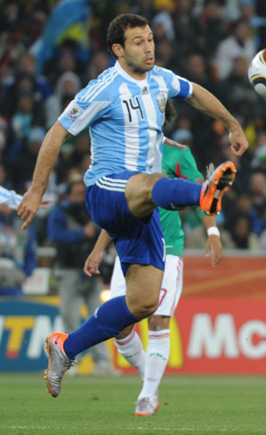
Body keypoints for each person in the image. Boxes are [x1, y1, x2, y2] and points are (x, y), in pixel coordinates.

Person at [16, 13, 248, 398]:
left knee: (142, 302)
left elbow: (195, 92)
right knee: (151, 180)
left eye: (150, 39)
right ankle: (201, 192)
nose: (149, 47)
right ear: (118, 50)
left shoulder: (160, 79)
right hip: (106, 190)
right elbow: (56, 134)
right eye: (138, 42)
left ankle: (65, 347)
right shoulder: (103, 89)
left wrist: (232, 124)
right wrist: (37, 190)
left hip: (141, 206)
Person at [85, 133, 222, 415]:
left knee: (158, 320)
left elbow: (201, 192)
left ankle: (147, 395)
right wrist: (99, 248)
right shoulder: (125, 153)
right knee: (121, 328)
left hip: (168, 247)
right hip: (131, 246)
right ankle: (151, 382)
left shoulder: (177, 153)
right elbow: (117, 206)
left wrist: (212, 231)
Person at [47, 179, 117, 376]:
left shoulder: (92, 210)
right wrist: (81, 233)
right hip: (69, 269)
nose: (80, 197)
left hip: (91, 271)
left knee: (99, 318)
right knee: (69, 316)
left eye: (82, 193)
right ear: (68, 194)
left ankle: (102, 362)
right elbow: (55, 235)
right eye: (76, 193)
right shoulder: (60, 212)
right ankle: (69, 361)